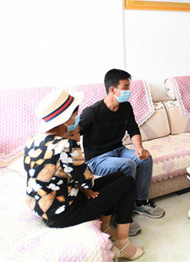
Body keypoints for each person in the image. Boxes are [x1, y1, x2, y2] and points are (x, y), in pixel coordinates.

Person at [25, 88, 144, 260]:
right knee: (128, 183)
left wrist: (84, 187)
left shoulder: (33, 140)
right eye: (75, 115)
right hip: (64, 213)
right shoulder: (67, 145)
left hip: (45, 207)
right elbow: (88, 181)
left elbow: (65, 176)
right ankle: (123, 244)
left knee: (119, 176)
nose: (77, 119)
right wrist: (74, 142)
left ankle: (105, 227)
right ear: (65, 120)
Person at [80, 69, 165, 236]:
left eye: (129, 86)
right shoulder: (92, 112)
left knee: (145, 159)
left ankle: (140, 203)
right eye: (125, 87)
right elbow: (74, 134)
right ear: (112, 89)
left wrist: (139, 148)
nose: (129, 90)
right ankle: (121, 213)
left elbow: (133, 129)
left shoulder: (125, 107)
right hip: (97, 159)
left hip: (119, 150)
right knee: (128, 165)